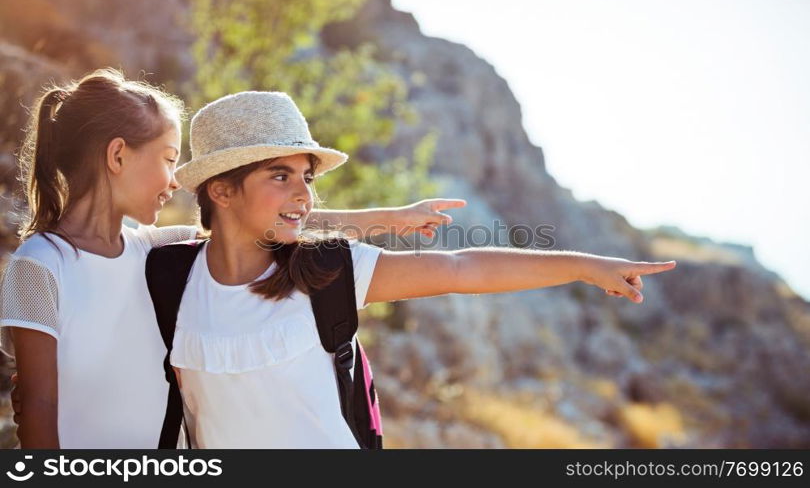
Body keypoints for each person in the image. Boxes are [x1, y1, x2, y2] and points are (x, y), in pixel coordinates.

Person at [161, 90, 677, 448]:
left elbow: (461, 268)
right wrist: (383, 217)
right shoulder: (165, 271)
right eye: (281, 175)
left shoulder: (327, 269)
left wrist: (585, 267)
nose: (304, 193)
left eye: (307, 176)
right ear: (222, 190)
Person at [0, 69, 466, 448]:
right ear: (118, 155)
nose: (175, 182)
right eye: (167, 159)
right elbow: (37, 406)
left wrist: (392, 218)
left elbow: (259, 221)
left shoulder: (150, 248)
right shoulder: (40, 265)